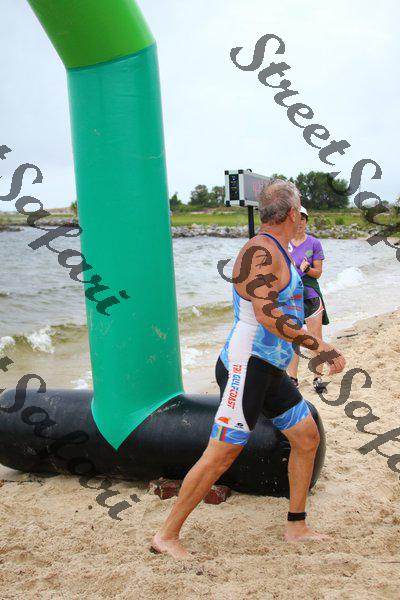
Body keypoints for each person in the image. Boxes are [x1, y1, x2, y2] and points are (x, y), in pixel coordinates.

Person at [151, 180, 345, 560]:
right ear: (293, 213)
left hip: (270, 369)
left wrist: (307, 342)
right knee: (221, 454)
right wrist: (316, 344)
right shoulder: (259, 252)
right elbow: (267, 314)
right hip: (246, 367)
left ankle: (296, 525)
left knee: (306, 437)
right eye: (301, 209)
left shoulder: (280, 249)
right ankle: (166, 535)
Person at [287, 207, 329, 393]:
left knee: (315, 338)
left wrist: (306, 269)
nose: (300, 222)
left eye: (303, 218)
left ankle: (318, 378)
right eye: (296, 218)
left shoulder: (314, 243)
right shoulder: (284, 243)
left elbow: (318, 273)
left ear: (306, 221)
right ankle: (292, 379)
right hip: (291, 296)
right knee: (293, 338)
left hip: (311, 295)